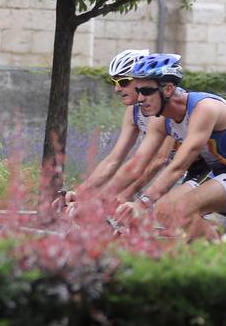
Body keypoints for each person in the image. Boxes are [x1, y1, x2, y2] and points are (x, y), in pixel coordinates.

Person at [114, 54, 226, 237]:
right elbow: (137, 163)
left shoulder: (204, 108)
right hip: (221, 171)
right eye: (138, 90)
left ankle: (216, 260)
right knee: (162, 210)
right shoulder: (159, 120)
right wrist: (99, 199)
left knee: (182, 209)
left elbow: (178, 167)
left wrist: (141, 203)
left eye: (146, 91)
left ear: (167, 89)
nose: (140, 98)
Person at [59, 48, 156, 215]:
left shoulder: (161, 109)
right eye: (114, 82)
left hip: (204, 167)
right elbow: (113, 160)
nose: (117, 89)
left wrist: (108, 198)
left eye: (123, 81)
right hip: (177, 170)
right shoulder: (134, 111)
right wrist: (81, 193)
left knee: (171, 212)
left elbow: (156, 161)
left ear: (143, 80)